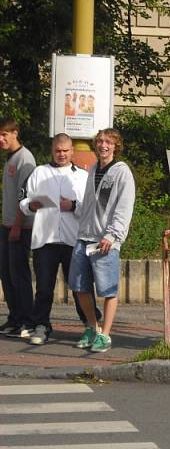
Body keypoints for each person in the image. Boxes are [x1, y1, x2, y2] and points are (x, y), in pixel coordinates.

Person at [19, 134, 100, 345]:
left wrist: (73, 206)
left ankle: (91, 325)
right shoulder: (39, 173)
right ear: (52, 151)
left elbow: (91, 209)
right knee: (44, 288)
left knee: (80, 287)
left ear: (72, 151)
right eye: (58, 151)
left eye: (65, 151)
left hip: (74, 240)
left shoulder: (82, 176)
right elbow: (24, 201)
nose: (62, 154)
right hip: (45, 240)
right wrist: (31, 205)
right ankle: (41, 326)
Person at [68, 128, 136, 353]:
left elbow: (124, 207)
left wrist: (113, 234)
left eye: (108, 142)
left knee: (108, 289)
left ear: (116, 146)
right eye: (99, 141)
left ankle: (105, 335)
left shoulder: (121, 172)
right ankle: (92, 326)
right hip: (84, 236)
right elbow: (90, 203)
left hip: (106, 240)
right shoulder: (94, 168)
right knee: (79, 286)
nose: (103, 145)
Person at [0, 118, 36, 337]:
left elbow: (26, 196)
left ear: (15, 133)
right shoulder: (10, 158)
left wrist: (17, 226)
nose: (1, 139)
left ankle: (26, 319)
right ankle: (14, 317)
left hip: (20, 227)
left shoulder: (25, 159)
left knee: (19, 274)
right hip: (7, 225)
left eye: (4, 134)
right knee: (6, 273)